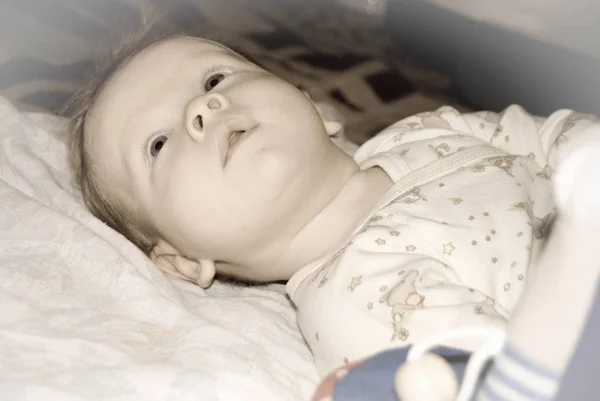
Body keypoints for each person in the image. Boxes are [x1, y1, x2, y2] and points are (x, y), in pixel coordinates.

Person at [66, 32, 600, 379]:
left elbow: (556, 138)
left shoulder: (429, 128)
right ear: (182, 260)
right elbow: (510, 376)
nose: (204, 108)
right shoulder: (358, 303)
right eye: (157, 144)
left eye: (214, 79)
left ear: (316, 109)